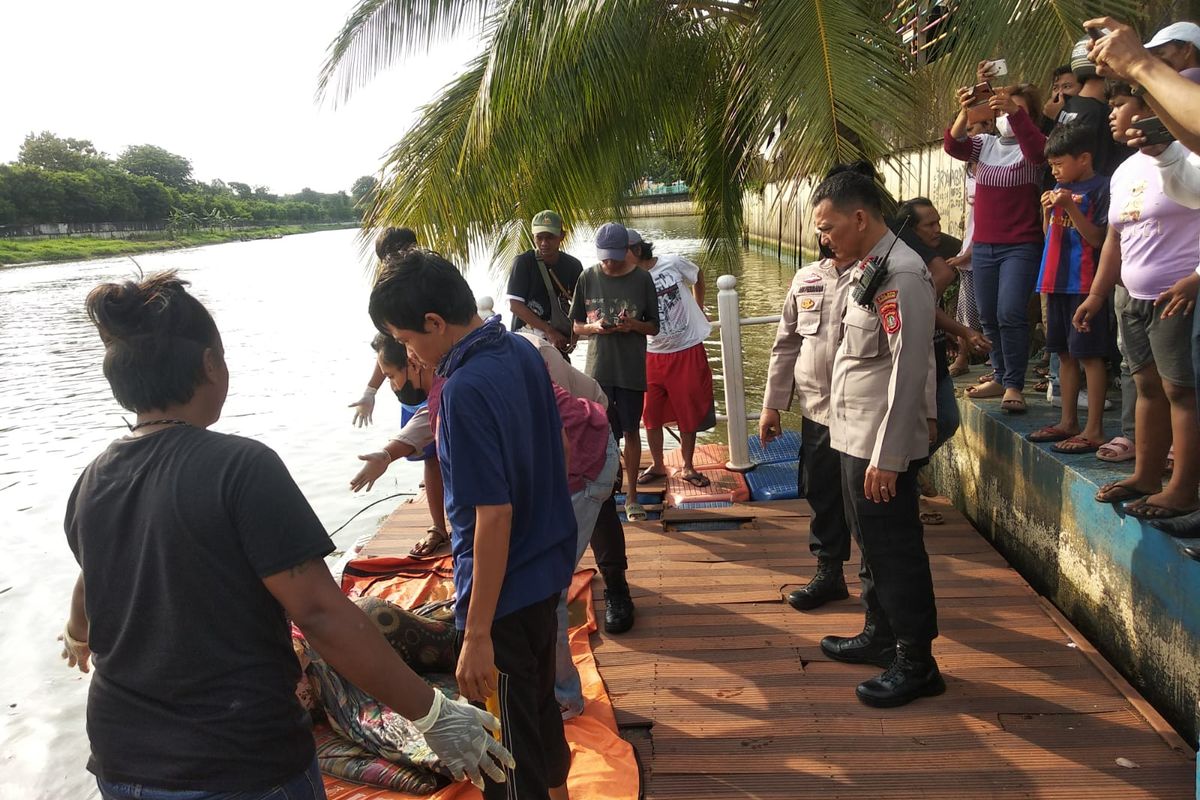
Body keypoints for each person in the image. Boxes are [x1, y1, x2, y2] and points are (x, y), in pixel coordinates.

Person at [61, 272, 511, 800]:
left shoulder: (93, 477)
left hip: (121, 761)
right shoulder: (240, 467)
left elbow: (92, 578)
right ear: (210, 364)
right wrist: (431, 712)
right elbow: (319, 614)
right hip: (240, 763)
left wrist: (76, 634)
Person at [370, 249, 576, 800]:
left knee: (504, 739)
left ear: (435, 324)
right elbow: (557, 446)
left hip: (501, 595)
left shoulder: (461, 390)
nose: (410, 353)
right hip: (547, 569)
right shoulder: (521, 349)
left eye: (407, 339)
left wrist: (477, 634)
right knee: (538, 702)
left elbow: (493, 515)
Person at [810, 170, 943, 709]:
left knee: (895, 549)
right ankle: (880, 633)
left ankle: (917, 661)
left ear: (860, 218)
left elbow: (910, 370)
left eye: (829, 227)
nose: (824, 238)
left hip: (879, 446)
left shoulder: (903, 275)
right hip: (853, 435)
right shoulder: (867, 268)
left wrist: (889, 457)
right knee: (871, 546)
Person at [1073, 81, 1200, 521]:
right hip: (1132, 298)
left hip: (1175, 297)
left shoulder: (1189, 157)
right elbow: (1115, 237)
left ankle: (1183, 489)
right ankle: (1146, 475)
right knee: (1146, 386)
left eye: (1121, 104)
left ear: (1152, 109)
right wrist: (1097, 294)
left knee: (1181, 391)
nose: (1111, 113)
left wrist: (1195, 280)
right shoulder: (1126, 169)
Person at [760, 249, 859, 611]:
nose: (825, 236)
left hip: (865, 412)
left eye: (831, 225)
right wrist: (772, 404)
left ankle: (880, 589)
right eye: (821, 229)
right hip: (817, 409)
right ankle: (829, 573)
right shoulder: (807, 278)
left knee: (865, 500)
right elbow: (786, 343)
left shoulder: (881, 274)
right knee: (821, 492)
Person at [945, 78, 1048, 412]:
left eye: (1015, 110)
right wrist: (964, 112)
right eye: (1001, 109)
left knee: (1011, 312)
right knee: (989, 315)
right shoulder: (985, 145)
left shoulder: (1036, 147)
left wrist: (1017, 115)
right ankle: (1000, 374)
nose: (1005, 116)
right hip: (985, 246)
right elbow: (953, 145)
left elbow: (1037, 152)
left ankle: (1014, 384)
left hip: (1021, 244)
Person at [1025, 124, 1112, 454]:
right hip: (1054, 280)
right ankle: (1068, 420)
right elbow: (1050, 236)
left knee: (1088, 354)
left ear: (1084, 158)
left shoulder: (1101, 188)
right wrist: (1048, 212)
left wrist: (1072, 207)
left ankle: (1094, 428)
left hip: (1085, 283)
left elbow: (1097, 238)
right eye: (1051, 166)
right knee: (1063, 353)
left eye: (1060, 163)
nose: (1055, 171)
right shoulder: (1059, 188)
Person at [570, 222, 660, 521]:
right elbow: (576, 325)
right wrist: (593, 328)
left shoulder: (642, 280)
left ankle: (632, 496)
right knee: (602, 433)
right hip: (599, 369)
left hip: (631, 369)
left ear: (627, 251)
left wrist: (633, 325)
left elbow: (654, 326)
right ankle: (605, 496)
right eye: (603, 256)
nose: (607, 262)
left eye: (613, 256)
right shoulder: (588, 276)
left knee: (632, 430)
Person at [627, 230, 715, 488]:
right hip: (653, 353)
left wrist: (699, 307)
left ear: (638, 250)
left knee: (688, 409)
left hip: (687, 348)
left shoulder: (672, 263)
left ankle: (688, 466)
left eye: (623, 251)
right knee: (650, 414)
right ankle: (657, 464)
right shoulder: (628, 280)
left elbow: (697, 275)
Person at [1086, 18, 1200, 153]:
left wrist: (1139, 64)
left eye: (1160, 53)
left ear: (1187, 49)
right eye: (1151, 56)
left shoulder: (1191, 77)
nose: (1157, 60)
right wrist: (1135, 79)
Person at [349, 226, 420, 427]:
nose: (397, 260)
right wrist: (370, 391)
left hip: (432, 380)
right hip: (411, 386)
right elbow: (387, 349)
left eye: (403, 251)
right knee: (423, 449)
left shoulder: (428, 283)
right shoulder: (389, 294)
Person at [505, 210, 584, 354]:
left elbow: (580, 306)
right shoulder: (523, 263)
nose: (544, 243)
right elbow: (515, 306)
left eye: (550, 238)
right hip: (526, 342)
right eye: (539, 238)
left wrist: (574, 338)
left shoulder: (573, 266)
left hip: (559, 342)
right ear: (533, 237)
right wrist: (549, 330)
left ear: (562, 236)